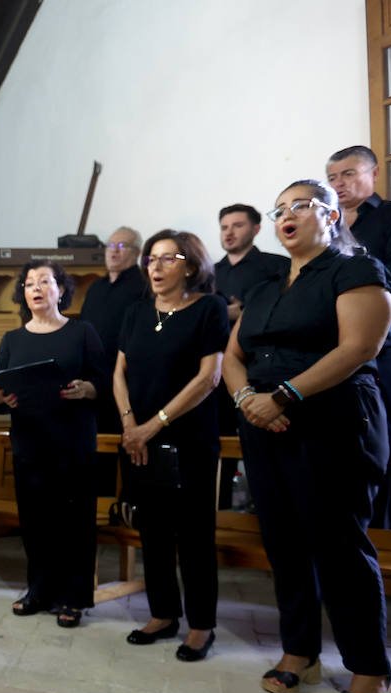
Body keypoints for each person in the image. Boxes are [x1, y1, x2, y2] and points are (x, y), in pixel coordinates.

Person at [222, 180, 391, 693]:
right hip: (264, 423)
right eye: (278, 210)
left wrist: (285, 395)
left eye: (298, 205)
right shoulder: (268, 284)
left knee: (338, 542)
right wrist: (250, 398)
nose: (285, 215)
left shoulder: (354, 269)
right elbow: (233, 355)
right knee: (284, 541)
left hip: (334, 419)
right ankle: (301, 651)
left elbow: (359, 347)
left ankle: (369, 667)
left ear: (328, 212)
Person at [113, 230, 229, 661]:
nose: (156, 268)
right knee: (152, 529)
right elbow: (119, 372)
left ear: (191, 265)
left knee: (195, 534)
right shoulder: (136, 312)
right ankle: (163, 615)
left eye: (167, 259)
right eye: (151, 260)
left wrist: (153, 426)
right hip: (138, 437)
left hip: (189, 440)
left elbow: (209, 378)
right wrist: (130, 425)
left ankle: (201, 625)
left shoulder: (209, 309)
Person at [0, 260, 107, 628]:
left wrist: (89, 388)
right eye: (28, 283)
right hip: (30, 440)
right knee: (36, 521)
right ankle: (39, 590)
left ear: (61, 290)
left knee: (74, 522)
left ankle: (73, 597)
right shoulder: (12, 339)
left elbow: (103, 381)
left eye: (44, 281)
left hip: (73, 440)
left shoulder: (83, 332)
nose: (36, 288)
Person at [327, 145, 391, 528]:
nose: (340, 183)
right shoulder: (327, 225)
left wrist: (353, 290)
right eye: (333, 177)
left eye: (349, 174)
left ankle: (389, 523)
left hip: (383, 336)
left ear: (374, 175)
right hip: (329, 339)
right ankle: (347, 522)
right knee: (336, 429)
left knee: (384, 427)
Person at [213, 204, 291, 507]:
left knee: (264, 439)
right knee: (220, 438)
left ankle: (266, 509)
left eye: (237, 225)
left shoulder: (278, 265)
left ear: (256, 229)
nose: (229, 232)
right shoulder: (211, 272)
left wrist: (244, 311)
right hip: (216, 365)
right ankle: (220, 510)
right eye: (224, 227)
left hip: (261, 366)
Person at [78, 227, 146, 497]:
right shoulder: (96, 287)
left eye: (123, 246)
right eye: (110, 245)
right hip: (95, 384)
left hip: (128, 385)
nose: (114, 251)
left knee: (129, 452)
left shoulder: (143, 286)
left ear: (137, 253)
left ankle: (128, 512)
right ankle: (103, 512)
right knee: (97, 453)